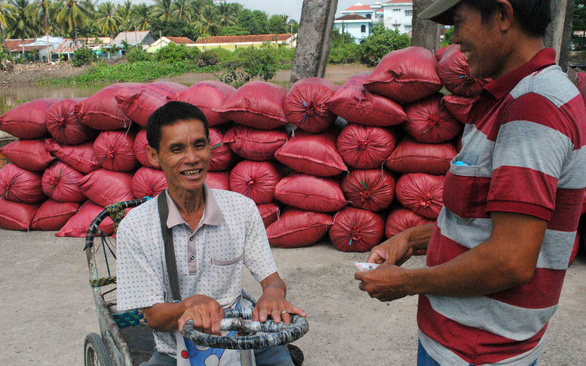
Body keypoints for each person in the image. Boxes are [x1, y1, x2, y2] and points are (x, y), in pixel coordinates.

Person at [355, 1, 586, 365]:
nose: (456, 39)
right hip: (464, 341)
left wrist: (407, 282)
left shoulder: (533, 109)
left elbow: (509, 261)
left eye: (460, 23)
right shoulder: (512, 99)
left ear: (504, 15)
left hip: (475, 351)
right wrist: (410, 240)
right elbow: (485, 225)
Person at [117, 101, 306, 366]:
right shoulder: (136, 227)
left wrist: (273, 296)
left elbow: (271, 279)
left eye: (199, 145)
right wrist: (190, 304)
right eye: (176, 149)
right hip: (175, 351)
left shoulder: (241, 209)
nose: (192, 158)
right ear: (153, 156)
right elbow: (155, 317)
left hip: (242, 339)